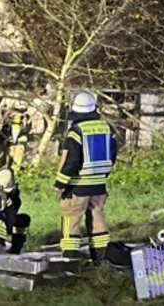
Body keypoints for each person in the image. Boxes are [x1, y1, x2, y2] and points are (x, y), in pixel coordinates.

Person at [55, 91, 118, 263]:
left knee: (72, 217)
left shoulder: (76, 132)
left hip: (78, 185)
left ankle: (70, 259)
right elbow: (113, 154)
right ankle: (101, 258)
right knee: (97, 216)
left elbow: (71, 161)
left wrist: (60, 183)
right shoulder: (107, 128)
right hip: (99, 184)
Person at [8, 102, 33, 167]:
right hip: (17, 139)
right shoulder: (15, 116)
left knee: (16, 154)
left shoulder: (24, 117)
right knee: (14, 155)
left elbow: (26, 128)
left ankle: (14, 167)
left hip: (18, 139)